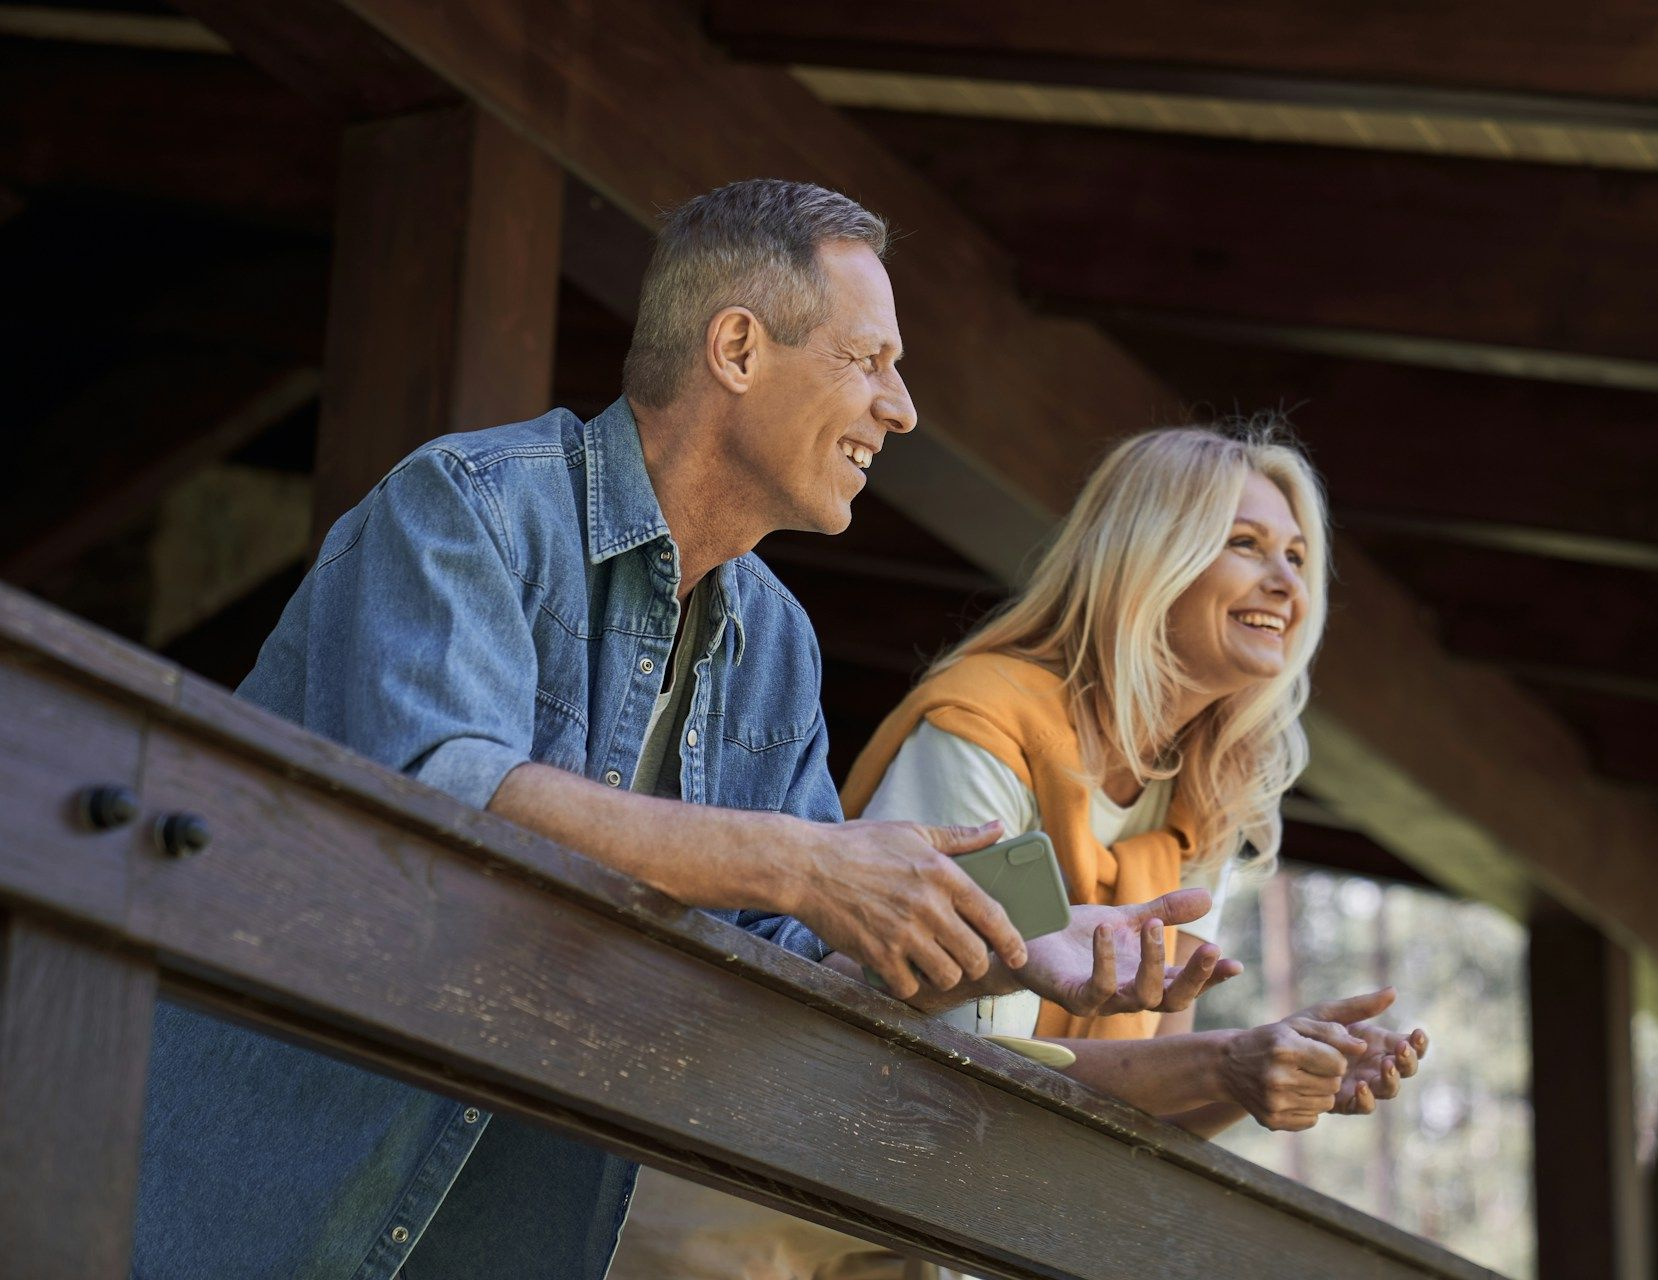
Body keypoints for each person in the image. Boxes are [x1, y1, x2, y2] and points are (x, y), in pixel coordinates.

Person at [131, 180, 1228, 1280]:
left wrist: (1008, 945)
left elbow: (794, 969)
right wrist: (806, 863)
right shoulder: (464, 504)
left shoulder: (780, 646)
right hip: (239, 1204)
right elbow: (445, 794)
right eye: (868, 360)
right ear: (738, 349)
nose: (899, 408)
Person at [606, 422, 1429, 1280]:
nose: (1285, 581)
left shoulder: (1197, 809)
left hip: (922, 1236)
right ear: (1152, 558)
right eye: (1246, 543)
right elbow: (953, 1065)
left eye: (1298, 556)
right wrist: (1225, 1065)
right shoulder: (986, 735)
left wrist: (1262, 1077)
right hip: (753, 1210)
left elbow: (1151, 1121)